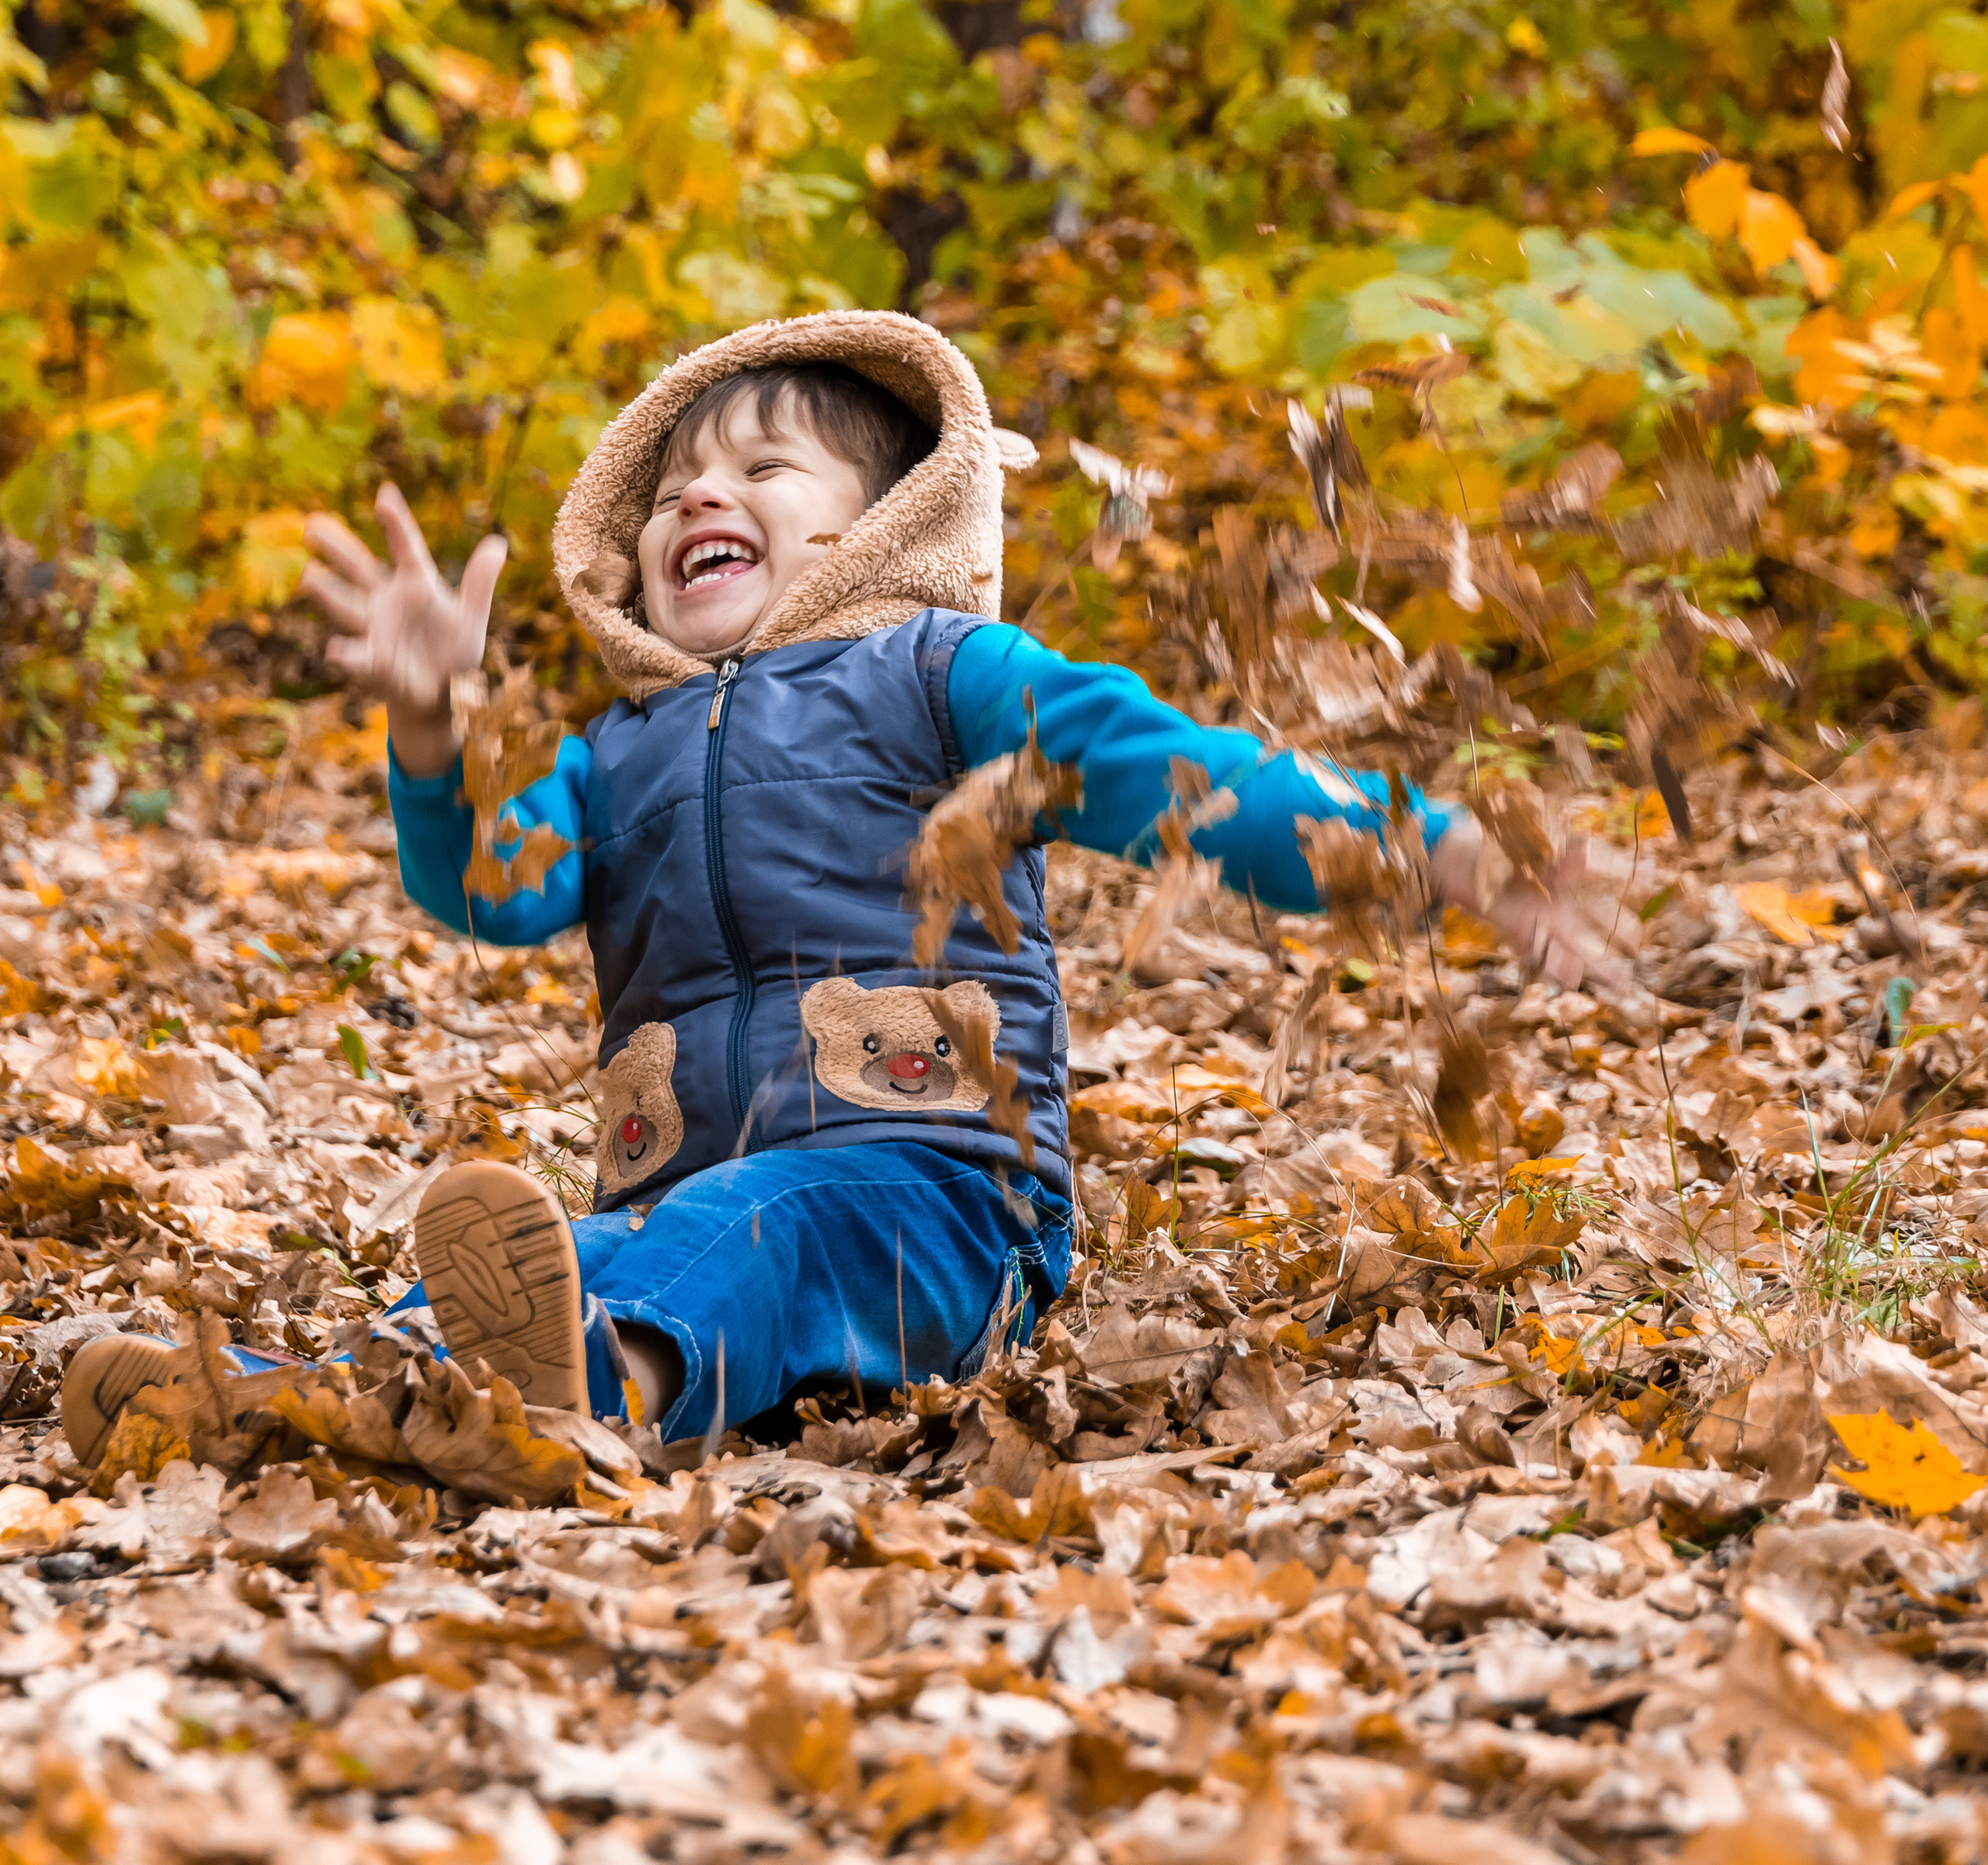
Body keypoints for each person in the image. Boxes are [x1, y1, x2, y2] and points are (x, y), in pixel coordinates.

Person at [61, 313, 1627, 1465]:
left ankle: (578, 1401)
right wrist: (428, 727)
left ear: (878, 522)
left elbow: (1187, 779)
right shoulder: (620, 751)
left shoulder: (946, 678)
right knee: (582, 1253)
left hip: (942, 1198)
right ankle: (291, 1396)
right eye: (669, 483)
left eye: (757, 466)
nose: (692, 499)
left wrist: (1447, 849)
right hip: (676, 1203)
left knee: (764, 1222)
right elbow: (488, 887)